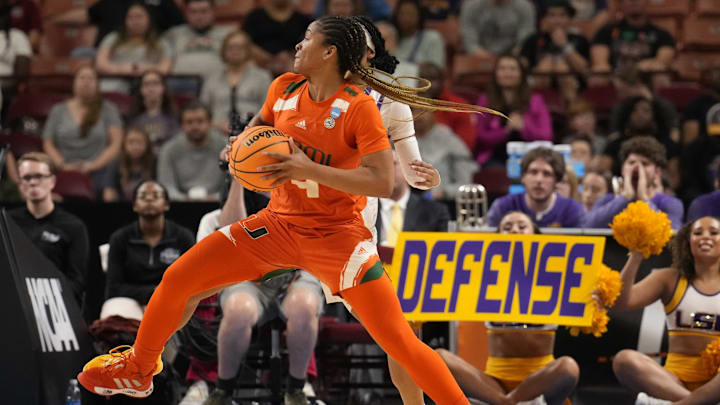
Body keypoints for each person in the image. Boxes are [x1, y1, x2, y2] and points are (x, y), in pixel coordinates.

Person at [78, 16, 491, 404]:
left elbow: (382, 182)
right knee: (179, 278)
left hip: (339, 237)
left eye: (308, 37)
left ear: (330, 53)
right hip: (277, 225)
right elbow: (257, 127)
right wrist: (241, 149)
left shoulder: (360, 107)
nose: (298, 43)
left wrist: (305, 167)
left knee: (400, 341)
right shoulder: (284, 88)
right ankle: (139, 369)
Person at [424, 211, 579, 405]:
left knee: (568, 367)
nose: (514, 230)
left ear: (536, 236)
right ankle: (506, 401)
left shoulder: (559, 275)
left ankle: (510, 401)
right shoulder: (480, 276)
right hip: (494, 383)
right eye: (506, 228)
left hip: (542, 381)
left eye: (522, 227)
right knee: (439, 357)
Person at [611, 216, 720, 405]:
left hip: (716, 383)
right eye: (697, 233)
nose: (705, 237)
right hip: (672, 384)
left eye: (714, 232)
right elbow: (621, 302)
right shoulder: (669, 279)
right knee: (624, 360)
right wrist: (636, 256)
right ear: (688, 241)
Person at [102, 180, 195, 319]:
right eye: (143, 196)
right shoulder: (120, 238)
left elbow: (191, 282)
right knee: (114, 315)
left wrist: (163, 295)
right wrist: (152, 292)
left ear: (166, 204)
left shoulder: (182, 237)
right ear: (134, 205)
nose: (149, 199)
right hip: (131, 301)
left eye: (156, 196)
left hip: (170, 300)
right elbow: (114, 288)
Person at [9, 152, 89, 303]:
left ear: (52, 181)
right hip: (15, 302)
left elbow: (77, 282)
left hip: (56, 303)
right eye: (26, 177)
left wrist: (44, 297)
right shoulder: (8, 222)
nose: (32, 182)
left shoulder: (73, 226)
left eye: (39, 176)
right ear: (20, 184)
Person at [42, 66, 124, 194]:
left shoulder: (108, 109)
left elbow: (116, 143)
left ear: (97, 84)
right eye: (82, 78)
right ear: (74, 83)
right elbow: (48, 143)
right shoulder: (58, 110)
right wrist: (63, 165)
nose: (86, 82)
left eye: (91, 78)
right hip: (62, 169)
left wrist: (93, 166)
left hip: (99, 170)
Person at [584, 136, 683, 229]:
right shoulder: (607, 200)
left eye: (645, 164)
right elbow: (588, 227)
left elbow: (672, 233)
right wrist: (625, 197)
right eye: (631, 162)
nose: (637, 168)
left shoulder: (670, 203)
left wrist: (643, 199)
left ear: (657, 172)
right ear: (623, 169)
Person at [475, 54, 553, 167]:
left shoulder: (536, 100)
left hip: (530, 157)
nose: (507, 73)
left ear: (521, 74)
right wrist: (506, 131)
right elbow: (480, 136)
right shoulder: (485, 100)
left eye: (512, 69)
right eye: (502, 69)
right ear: (495, 74)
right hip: (494, 157)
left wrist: (524, 127)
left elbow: (546, 136)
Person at [486, 147, 585, 227]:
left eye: (547, 174)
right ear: (523, 177)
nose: (539, 180)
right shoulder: (502, 207)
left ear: (556, 181)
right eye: (533, 172)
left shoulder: (573, 210)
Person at [200, 31, 273, 135]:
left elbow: (268, 111)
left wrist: (251, 126)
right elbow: (203, 110)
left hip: (253, 133)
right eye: (230, 47)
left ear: (248, 50)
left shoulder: (262, 77)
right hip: (216, 133)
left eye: (239, 47)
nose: (235, 51)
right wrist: (216, 124)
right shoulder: (212, 78)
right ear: (223, 51)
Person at [95, 1, 172, 94]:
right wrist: (122, 70)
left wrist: (146, 70)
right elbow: (100, 64)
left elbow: (165, 68)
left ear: (149, 18)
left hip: (148, 82)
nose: (135, 21)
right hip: (116, 79)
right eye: (130, 17)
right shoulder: (113, 38)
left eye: (139, 17)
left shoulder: (160, 42)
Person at [519, 0, 589, 102]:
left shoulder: (580, 40)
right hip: (538, 85)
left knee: (561, 68)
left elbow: (585, 70)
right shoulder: (533, 40)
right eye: (552, 15)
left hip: (573, 88)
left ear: (569, 18)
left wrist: (565, 46)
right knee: (546, 65)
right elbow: (522, 67)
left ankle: (571, 109)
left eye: (562, 15)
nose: (557, 20)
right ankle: (538, 108)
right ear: (545, 19)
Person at [157, 102, 226, 201]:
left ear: (210, 123)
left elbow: (232, 185)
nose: (195, 126)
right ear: (181, 125)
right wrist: (184, 199)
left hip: (218, 204)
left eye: (200, 121)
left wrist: (215, 198)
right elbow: (166, 186)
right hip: (180, 205)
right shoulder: (169, 149)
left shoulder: (225, 147)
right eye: (189, 122)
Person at [162, 0, 233, 91]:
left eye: (204, 11)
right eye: (193, 12)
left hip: (218, 87)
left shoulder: (228, 34)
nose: (199, 17)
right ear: (186, 13)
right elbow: (163, 64)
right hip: (182, 88)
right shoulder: (172, 35)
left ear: (213, 12)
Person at [590, 0, 675, 73]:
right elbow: (600, 62)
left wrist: (649, 65)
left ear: (647, 1)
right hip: (615, 79)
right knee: (598, 74)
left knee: (659, 71)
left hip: (646, 77)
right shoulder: (606, 32)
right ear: (621, 3)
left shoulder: (662, 35)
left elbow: (662, 61)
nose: (633, 1)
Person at [243, 0, 312, 76]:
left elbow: (310, 42)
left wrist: (293, 57)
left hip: (292, 65)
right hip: (261, 65)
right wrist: (263, 57)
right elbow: (244, 40)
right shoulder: (255, 16)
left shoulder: (301, 19)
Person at [459, 0, 536, 57]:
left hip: (514, 59)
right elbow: (469, 42)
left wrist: (509, 59)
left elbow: (524, 41)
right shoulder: (471, 6)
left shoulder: (525, 7)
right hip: (480, 58)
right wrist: (489, 58)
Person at [128, 70, 180, 153]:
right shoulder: (134, 119)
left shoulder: (174, 117)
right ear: (141, 89)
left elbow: (176, 146)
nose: (151, 88)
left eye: (155, 83)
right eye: (146, 84)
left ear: (163, 88)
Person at [102, 127, 156, 202]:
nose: (135, 147)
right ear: (124, 145)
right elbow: (108, 194)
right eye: (131, 142)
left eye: (140, 142)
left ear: (147, 145)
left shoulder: (155, 163)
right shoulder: (115, 164)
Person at [391, 0, 446, 70]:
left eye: (410, 14)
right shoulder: (391, 38)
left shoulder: (432, 37)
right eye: (402, 14)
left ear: (420, 16)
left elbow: (437, 71)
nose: (406, 18)